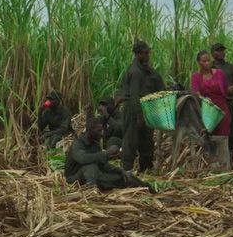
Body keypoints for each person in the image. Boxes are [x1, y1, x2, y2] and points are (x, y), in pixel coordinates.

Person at [66, 117, 152, 192]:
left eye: (102, 130)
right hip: (75, 178)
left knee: (124, 177)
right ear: (89, 130)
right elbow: (82, 159)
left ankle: (147, 188)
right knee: (90, 166)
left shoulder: (95, 145)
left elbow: (104, 165)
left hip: (95, 175)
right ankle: (91, 191)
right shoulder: (78, 144)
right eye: (99, 130)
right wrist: (107, 153)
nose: (102, 133)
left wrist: (121, 171)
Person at [190, 49, 233, 168]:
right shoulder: (196, 77)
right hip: (207, 111)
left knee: (223, 137)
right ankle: (213, 168)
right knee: (209, 137)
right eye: (203, 61)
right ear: (198, 62)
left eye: (208, 60)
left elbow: (227, 91)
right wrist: (203, 99)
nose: (207, 63)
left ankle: (225, 167)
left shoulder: (219, 73)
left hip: (222, 109)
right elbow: (195, 93)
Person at [120, 40, 165, 174]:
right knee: (131, 139)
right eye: (145, 53)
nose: (148, 56)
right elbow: (134, 95)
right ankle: (127, 169)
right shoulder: (135, 72)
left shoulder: (148, 71)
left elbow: (160, 85)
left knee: (147, 139)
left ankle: (146, 167)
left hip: (147, 108)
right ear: (138, 54)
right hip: (134, 109)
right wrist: (139, 115)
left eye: (148, 53)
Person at [210, 42, 233, 160]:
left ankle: (231, 155)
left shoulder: (231, 67)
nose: (221, 53)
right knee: (214, 130)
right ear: (212, 53)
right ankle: (215, 157)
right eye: (218, 50)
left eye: (222, 50)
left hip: (229, 103)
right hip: (213, 105)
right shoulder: (209, 68)